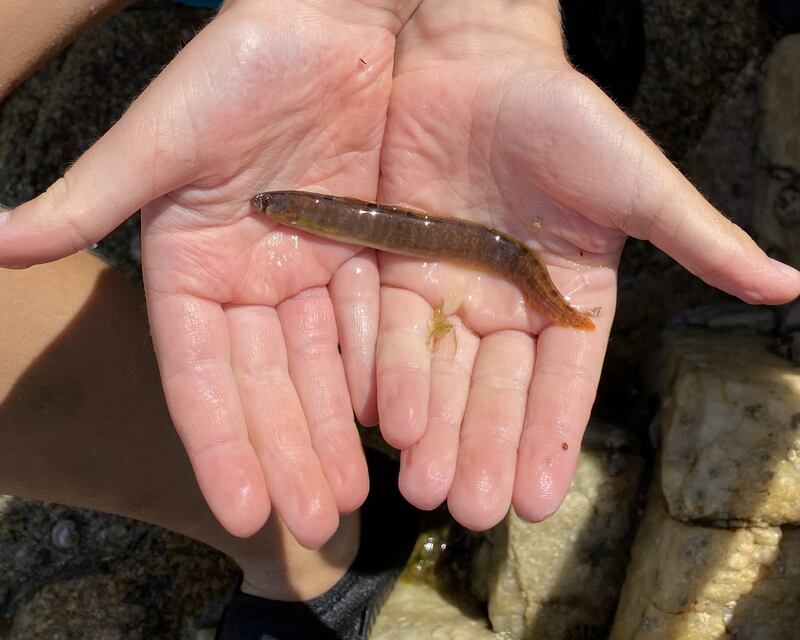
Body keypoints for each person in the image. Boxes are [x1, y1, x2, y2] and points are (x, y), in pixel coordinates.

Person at [1, 0, 798, 637]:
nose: (273, 213)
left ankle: (317, 549)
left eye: (276, 209)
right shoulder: (301, 208)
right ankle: (303, 544)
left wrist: (485, 16)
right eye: (276, 209)